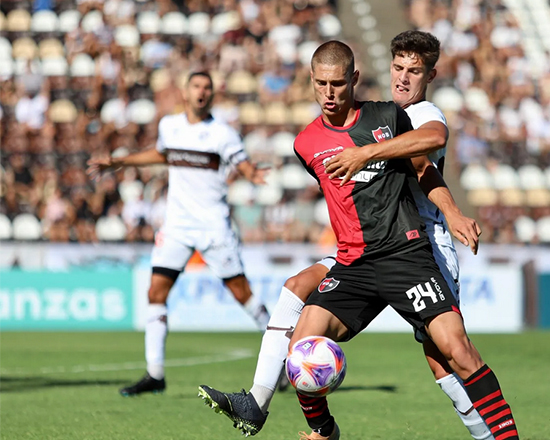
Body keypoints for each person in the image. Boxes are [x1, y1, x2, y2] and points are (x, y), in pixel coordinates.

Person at [206, 41, 520, 440]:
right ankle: (324, 430)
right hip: (354, 263)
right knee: (302, 342)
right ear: (311, 81)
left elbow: (424, 166)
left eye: (337, 83)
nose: (329, 93)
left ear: (353, 79)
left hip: (405, 254)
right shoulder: (305, 143)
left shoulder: (388, 116)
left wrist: (452, 211)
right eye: (321, 84)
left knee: (455, 352)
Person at [87, 72, 270, 396]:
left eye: (207, 87)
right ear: (185, 91)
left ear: (213, 94)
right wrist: (120, 161)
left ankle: (280, 354)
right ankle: (155, 374)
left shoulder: (223, 134)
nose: (202, 91)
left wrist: (251, 173)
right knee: (155, 293)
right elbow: (162, 154)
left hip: (214, 226)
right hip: (177, 226)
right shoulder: (169, 126)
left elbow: (242, 163)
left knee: (243, 294)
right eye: (196, 86)